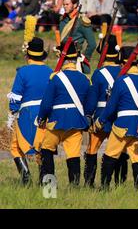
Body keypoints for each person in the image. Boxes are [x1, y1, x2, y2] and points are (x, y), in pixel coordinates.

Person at [96, 45, 138, 189]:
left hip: (123, 124)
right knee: (137, 157)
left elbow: (111, 106)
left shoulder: (120, 81)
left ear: (122, 63)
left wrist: (100, 121)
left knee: (109, 155)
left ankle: (104, 187)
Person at [36, 42, 90, 186]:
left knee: (47, 152)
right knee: (73, 156)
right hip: (76, 122)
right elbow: (89, 104)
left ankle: (49, 189)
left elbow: (47, 103)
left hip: (56, 122)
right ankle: (75, 188)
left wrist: (41, 118)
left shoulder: (56, 78)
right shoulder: (84, 79)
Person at [7, 37, 52, 185]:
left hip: (27, 113)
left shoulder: (23, 72)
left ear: (28, 55)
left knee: (15, 146)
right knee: (43, 148)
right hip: (45, 113)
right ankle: (46, 184)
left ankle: (26, 178)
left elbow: (16, 96)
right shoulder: (50, 71)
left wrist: (13, 112)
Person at [84, 35, 125, 187]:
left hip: (101, 115)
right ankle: (119, 182)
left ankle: (89, 182)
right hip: (119, 115)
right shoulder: (123, 71)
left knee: (92, 148)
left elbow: (92, 99)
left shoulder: (99, 74)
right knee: (120, 150)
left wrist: (88, 115)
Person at [59, 0, 96, 73]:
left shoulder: (82, 21)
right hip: (63, 58)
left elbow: (92, 44)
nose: (65, 6)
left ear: (75, 5)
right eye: (64, 4)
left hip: (75, 59)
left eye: (67, 4)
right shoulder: (62, 20)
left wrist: (85, 59)